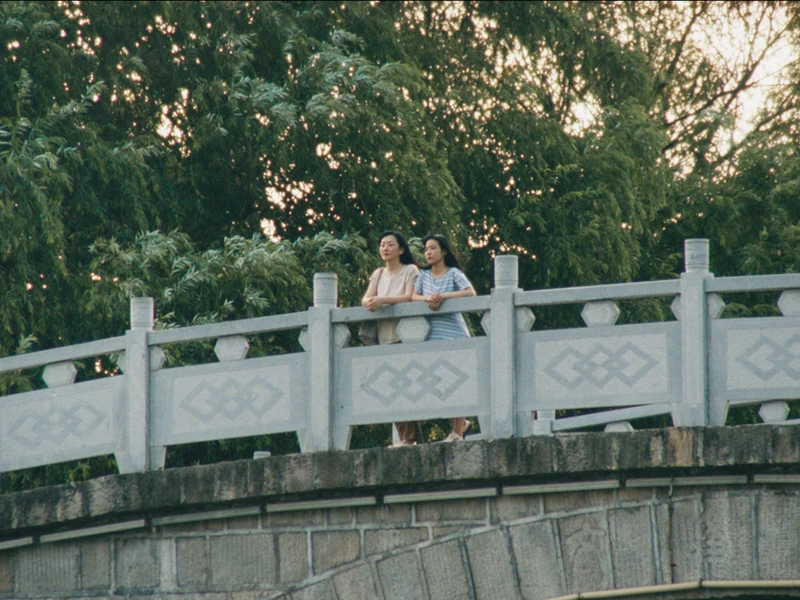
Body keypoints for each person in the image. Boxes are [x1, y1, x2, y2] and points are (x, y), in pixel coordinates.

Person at [412, 234, 477, 441]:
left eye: (433, 248)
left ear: (444, 252)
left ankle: (457, 432)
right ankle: (461, 422)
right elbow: (413, 297)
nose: (428, 253)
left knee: (455, 380)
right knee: (436, 383)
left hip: (454, 332)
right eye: (426, 249)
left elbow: (470, 293)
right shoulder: (423, 275)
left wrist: (443, 297)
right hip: (431, 334)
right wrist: (428, 298)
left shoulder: (453, 273)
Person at [362, 231, 422, 446]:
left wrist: (382, 300)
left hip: (405, 335)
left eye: (390, 244)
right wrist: (370, 302)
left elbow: (408, 297)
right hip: (383, 335)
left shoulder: (410, 270)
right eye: (381, 245)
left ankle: (410, 438)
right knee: (390, 386)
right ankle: (407, 437)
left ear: (401, 249)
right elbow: (366, 297)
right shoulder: (378, 273)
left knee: (404, 386)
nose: (384, 248)